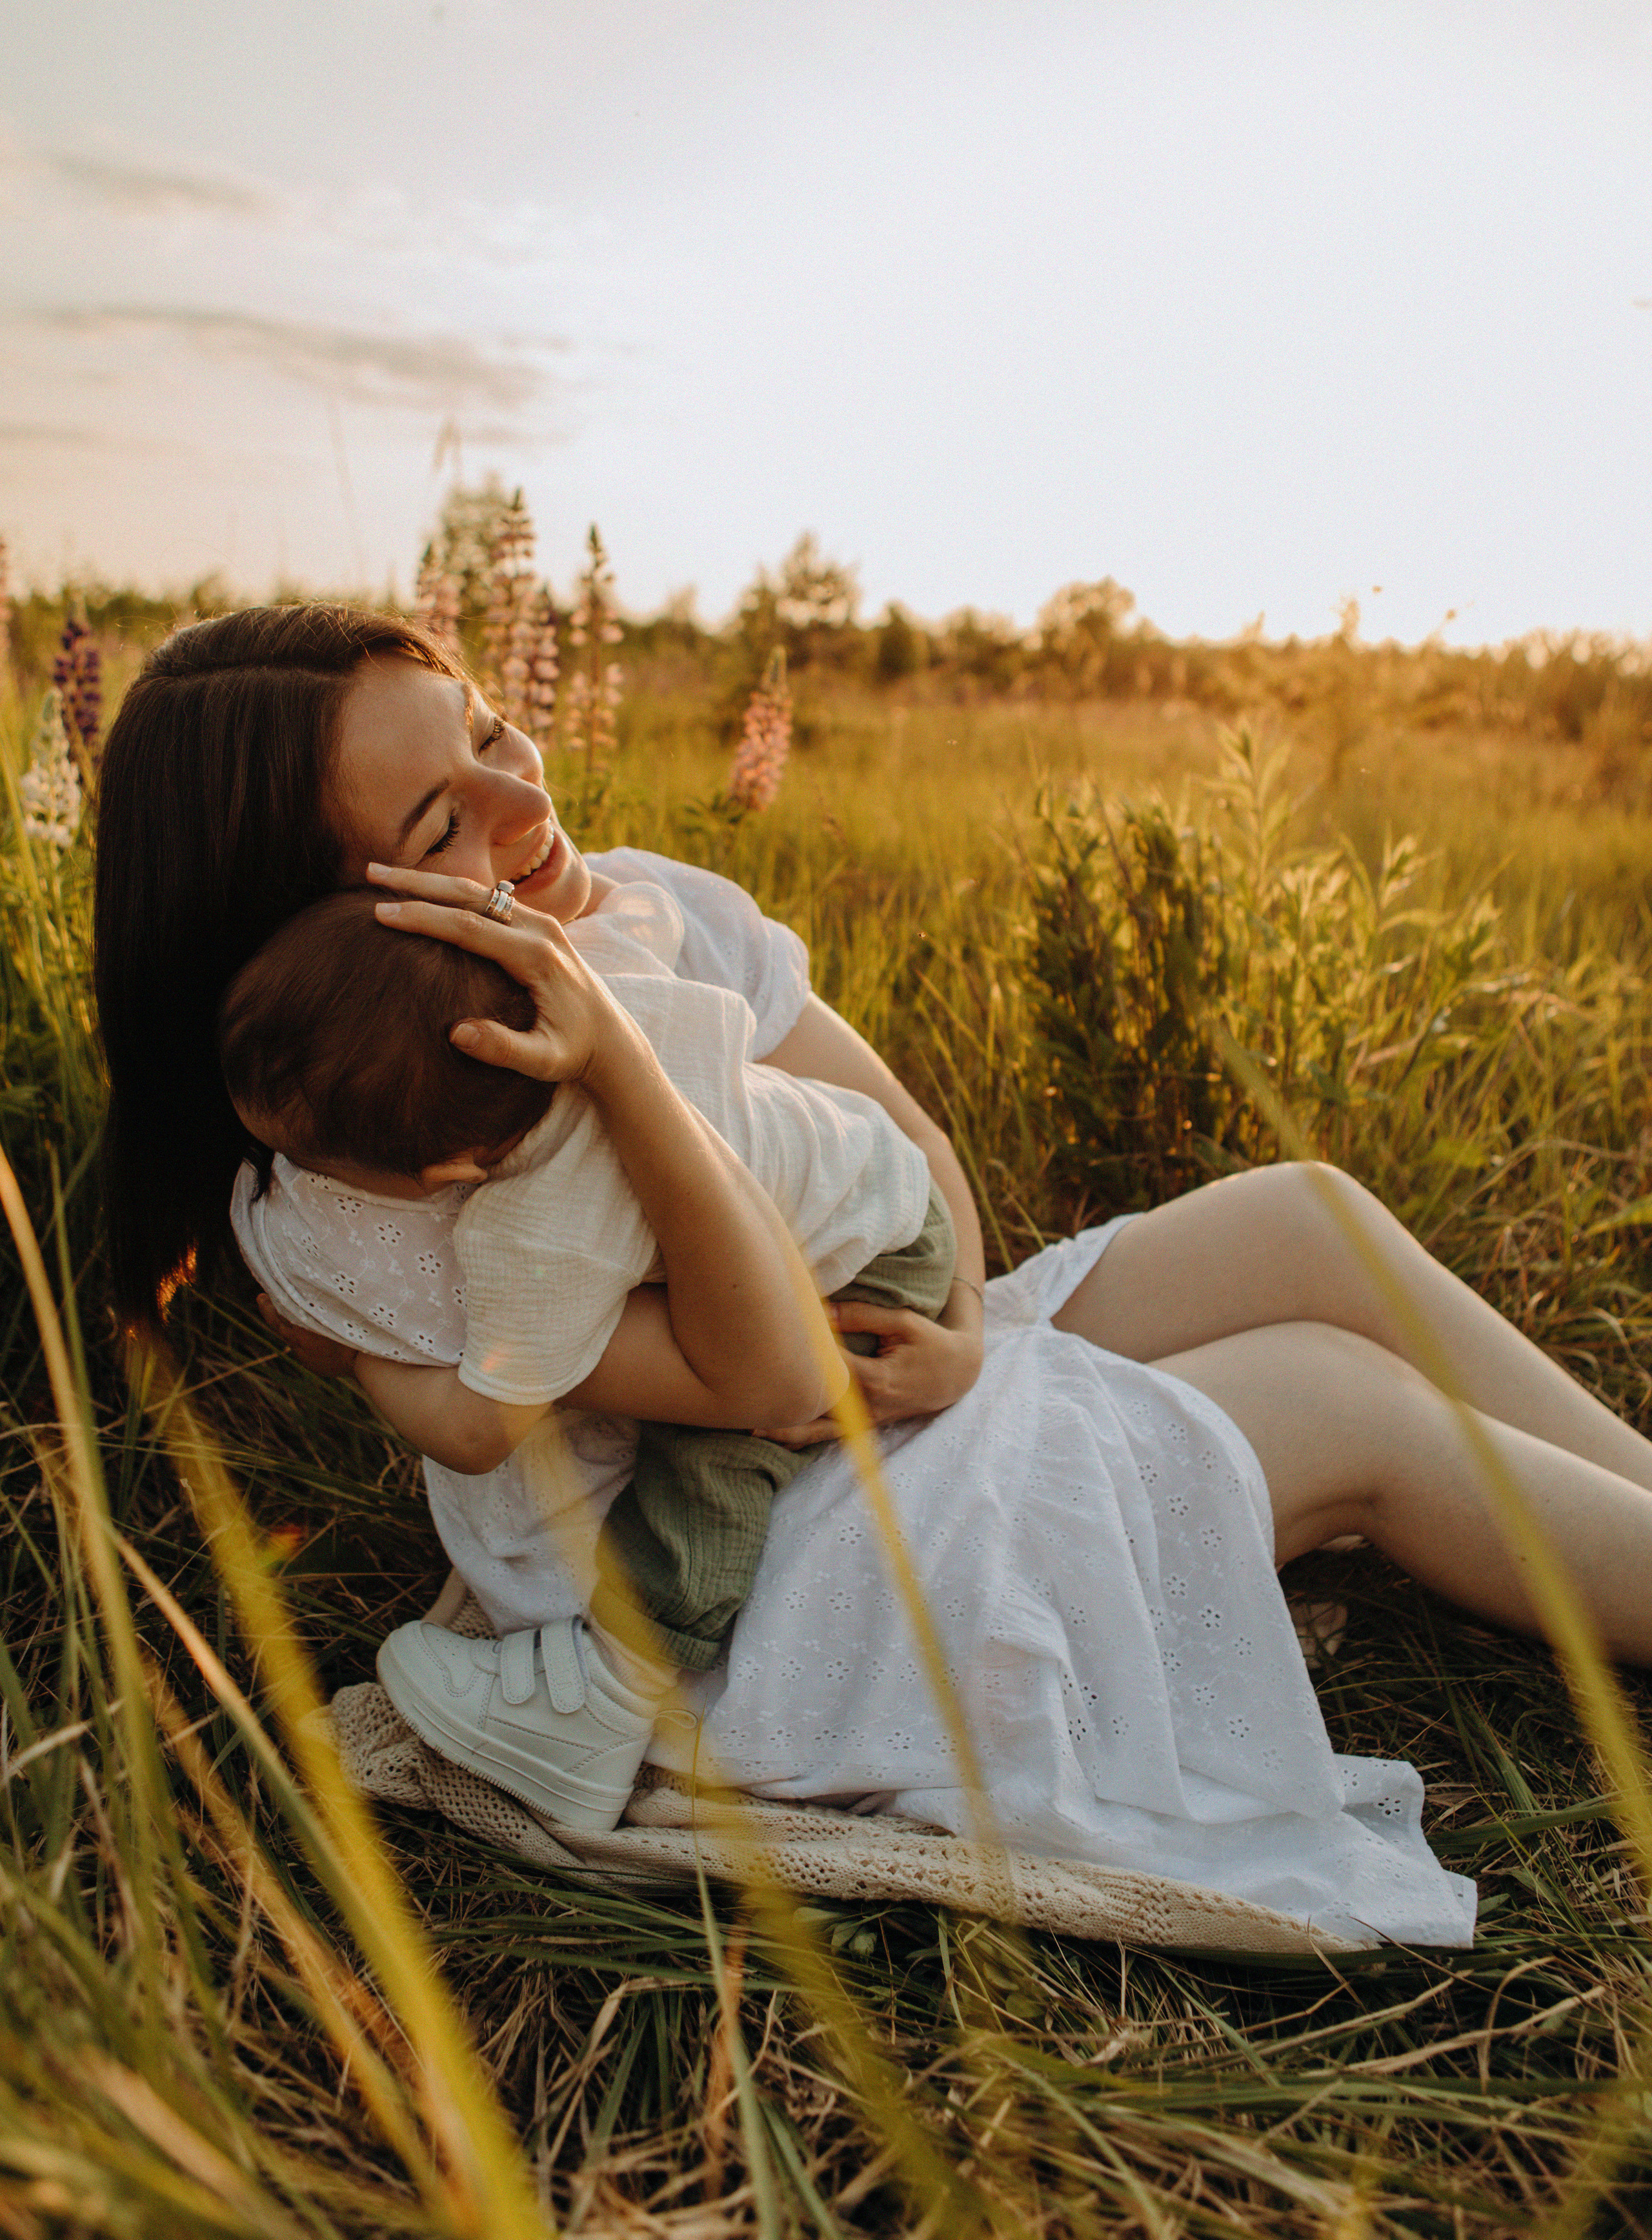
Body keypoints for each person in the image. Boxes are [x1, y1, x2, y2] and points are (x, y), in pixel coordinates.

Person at [88, 606, 1652, 1942]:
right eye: (437, 826)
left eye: (492, 729)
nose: (516, 800)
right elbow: (761, 1389)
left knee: (1306, 1216)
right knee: (1336, 1401)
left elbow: (906, 1151)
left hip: (893, 1391)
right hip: (758, 1569)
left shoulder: (644, 901)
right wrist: (626, 1065)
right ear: (317, 939)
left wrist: (968, 1333)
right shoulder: (411, 1162)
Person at [216, 874, 954, 1831]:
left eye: (314, 1166)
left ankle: (603, 1700)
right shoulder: (583, 972)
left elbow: (479, 1430)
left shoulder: (541, 1232)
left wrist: (354, 1359)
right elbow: (644, 908)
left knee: (721, 1450)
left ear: (445, 1175)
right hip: (851, 1155)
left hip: (872, 1252)